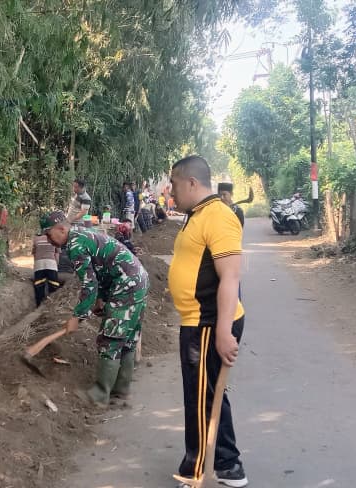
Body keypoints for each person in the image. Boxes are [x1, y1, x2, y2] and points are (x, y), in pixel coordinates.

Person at [168, 156, 248, 488]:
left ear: (191, 183)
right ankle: (229, 465)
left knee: (199, 398)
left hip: (209, 323)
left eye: (173, 184)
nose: (170, 192)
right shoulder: (197, 215)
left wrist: (224, 332)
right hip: (198, 321)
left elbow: (230, 277)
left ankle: (194, 470)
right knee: (208, 392)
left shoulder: (219, 217)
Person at [41, 211, 149, 406]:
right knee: (127, 337)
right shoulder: (82, 235)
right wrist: (100, 299)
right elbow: (102, 270)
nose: (48, 240)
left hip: (126, 284)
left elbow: (88, 284)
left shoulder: (75, 244)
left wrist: (77, 316)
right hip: (137, 279)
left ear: (61, 229)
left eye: (49, 235)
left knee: (110, 338)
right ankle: (121, 389)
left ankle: (100, 394)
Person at [32, 230, 61, 307]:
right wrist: (56, 264)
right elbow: (57, 254)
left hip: (39, 264)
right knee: (53, 285)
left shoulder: (36, 239)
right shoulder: (55, 238)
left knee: (39, 285)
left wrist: (36, 263)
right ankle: (52, 305)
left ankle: (39, 305)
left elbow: (34, 254)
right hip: (51, 263)